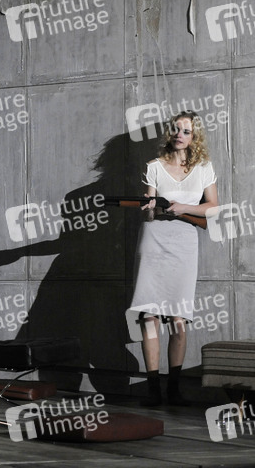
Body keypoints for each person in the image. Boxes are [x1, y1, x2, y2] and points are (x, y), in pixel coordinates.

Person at [128, 111, 217, 406]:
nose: (180, 134)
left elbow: (213, 207)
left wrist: (183, 208)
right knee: (149, 317)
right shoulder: (154, 166)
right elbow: (150, 211)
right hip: (154, 241)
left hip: (184, 244)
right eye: (176, 129)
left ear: (194, 136)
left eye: (186, 131)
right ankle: (153, 389)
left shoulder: (204, 168)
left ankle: (174, 389)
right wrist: (152, 208)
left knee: (179, 319)